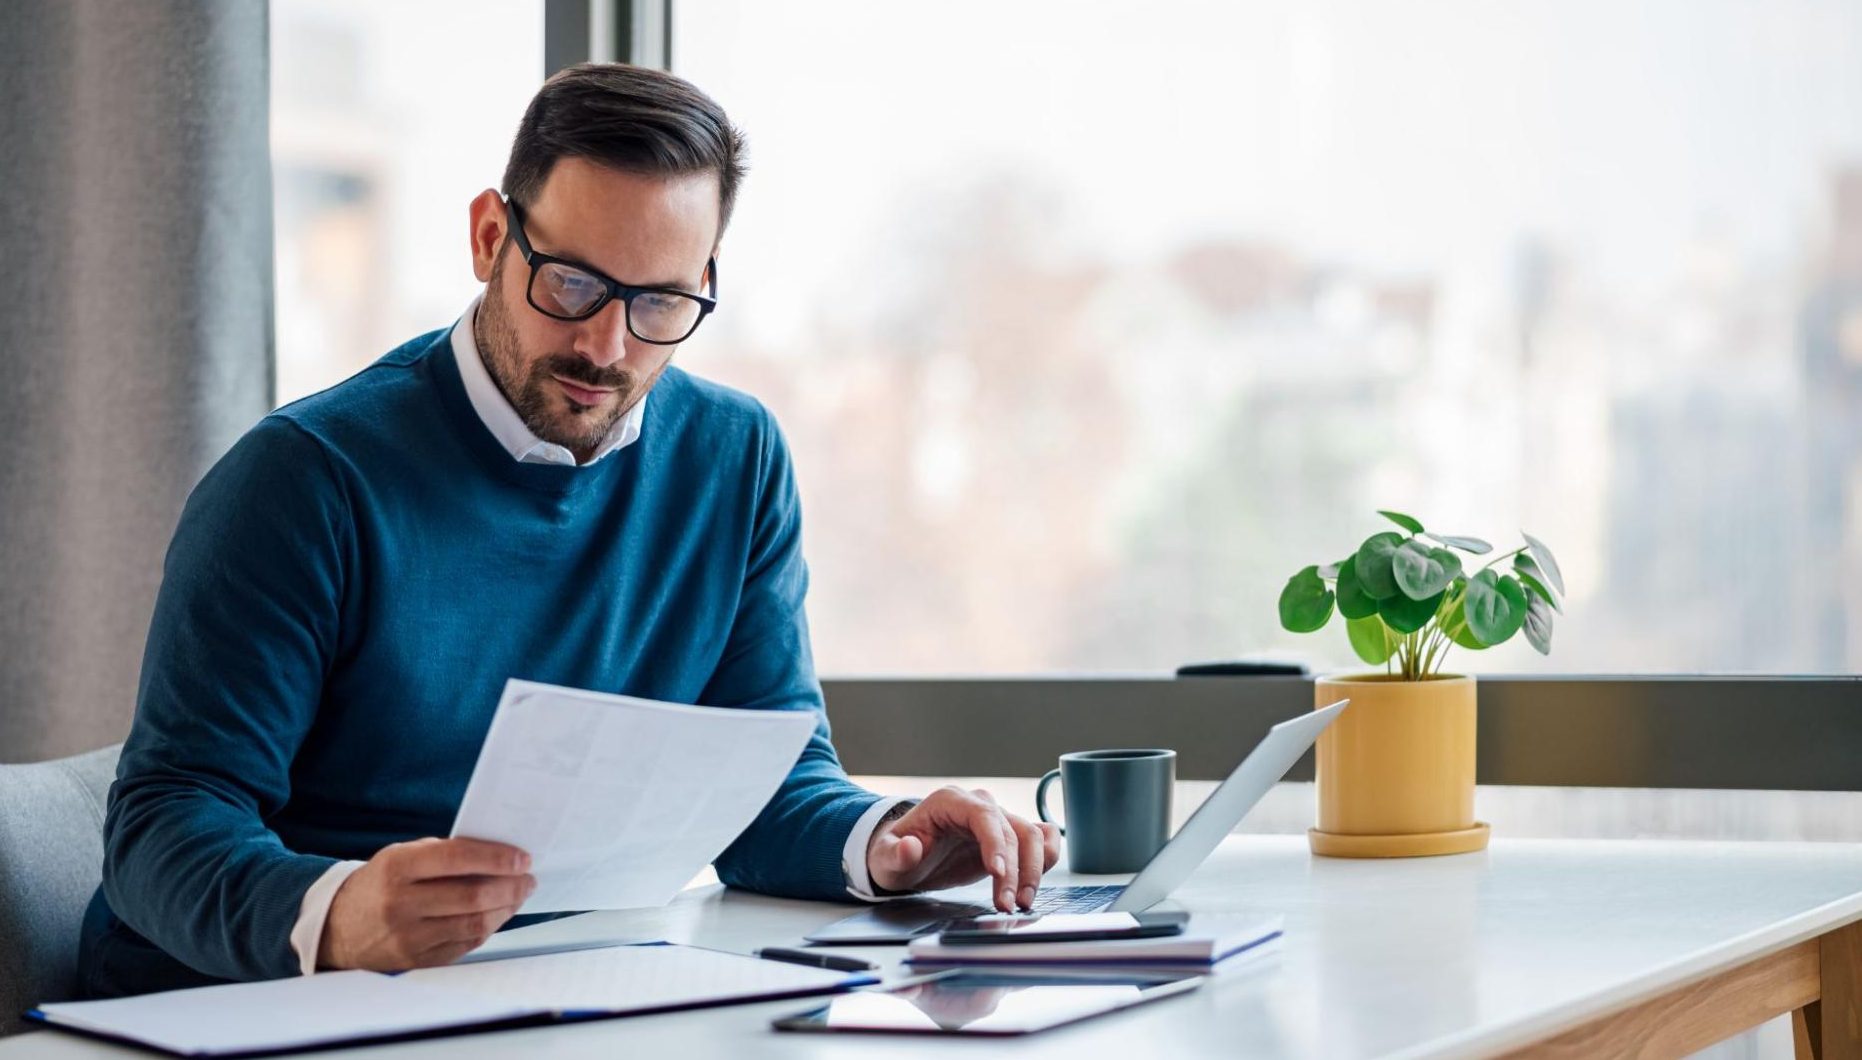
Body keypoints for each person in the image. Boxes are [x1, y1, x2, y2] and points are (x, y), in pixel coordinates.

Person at [78, 63, 1059, 998]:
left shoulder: (735, 459)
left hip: (536, 991)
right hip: (236, 1007)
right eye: (574, 285)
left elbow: (766, 784)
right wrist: (336, 911)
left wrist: (887, 839)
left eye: (660, 302)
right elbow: (163, 829)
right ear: (487, 237)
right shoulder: (302, 481)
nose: (607, 344)